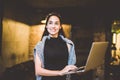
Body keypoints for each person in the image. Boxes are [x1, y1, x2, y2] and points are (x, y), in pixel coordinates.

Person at [33, 12, 77, 80]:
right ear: (46, 26)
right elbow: (38, 71)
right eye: (50, 23)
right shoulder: (40, 46)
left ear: (60, 27)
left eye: (56, 23)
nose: (53, 26)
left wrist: (75, 70)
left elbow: (70, 67)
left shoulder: (69, 44)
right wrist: (60, 72)